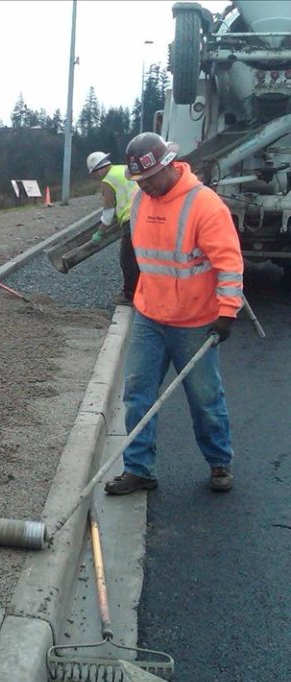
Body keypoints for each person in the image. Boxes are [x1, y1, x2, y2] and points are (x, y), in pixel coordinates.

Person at [104, 132, 244, 496]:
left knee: (205, 397)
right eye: (140, 181)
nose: (145, 186)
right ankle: (139, 469)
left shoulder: (205, 205)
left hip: (194, 321)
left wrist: (227, 311)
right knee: (137, 394)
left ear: (168, 166)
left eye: (149, 179)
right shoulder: (140, 200)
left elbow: (229, 264)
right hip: (150, 315)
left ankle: (219, 462)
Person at [86, 151, 140, 305]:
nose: (96, 178)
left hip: (132, 218)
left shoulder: (108, 180)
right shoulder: (123, 169)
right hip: (144, 214)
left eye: (95, 174)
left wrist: (100, 232)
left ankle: (130, 295)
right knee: (140, 258)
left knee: (127, 260)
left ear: (99, 169)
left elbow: (108, 211)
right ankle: (142, 292)